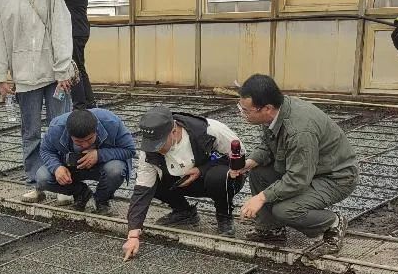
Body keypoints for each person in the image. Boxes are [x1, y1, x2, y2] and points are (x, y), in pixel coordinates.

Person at [236, 74, 357, 258]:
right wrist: (249, 163)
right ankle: (271, 230)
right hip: (309, 169)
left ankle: (333, 222)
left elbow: (298, 179)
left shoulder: (299, 131)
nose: (243, 114)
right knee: (258, 172)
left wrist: (261, 197)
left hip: (335, 177)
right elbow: (268, 145)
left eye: (246, 111)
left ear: (267, 108)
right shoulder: (275, 114)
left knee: (285, 210)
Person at [0, 0, 73, 201]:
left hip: (54, 73)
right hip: (24, 74)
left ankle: (64, 184)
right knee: (30, 132)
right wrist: (1, 75)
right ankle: (38, 183)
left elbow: (61, 26)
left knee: (61, 128)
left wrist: (63, 69)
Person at [121, 107, 246, 260]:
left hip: (214, 178)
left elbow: (240, 158)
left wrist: (201, 170)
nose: (156, 150)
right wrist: (133, 234)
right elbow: (142, 189)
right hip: (181, 181)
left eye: (160, 145)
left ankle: (224, 216)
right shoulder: (148, 152)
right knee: (152, 182)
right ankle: (184, 211)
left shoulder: (208, 130)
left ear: (174, 132)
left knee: (219, 177)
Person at [30, 108, 135, 215]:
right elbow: (46, 150)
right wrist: (56, 167)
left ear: (96, 130)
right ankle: (82, 193)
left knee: (116, 169)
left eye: (89, 139)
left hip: (102, 166)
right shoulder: (56, 128)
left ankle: (101, 200)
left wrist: (99, 155)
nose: (85, 145)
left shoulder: (111, 122)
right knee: (42, 177)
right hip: (71, 167)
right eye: (78, 142)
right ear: (69, 134)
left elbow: (130, 150)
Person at [59, 0, 95, 110]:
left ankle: (80, 104)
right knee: (79, 67)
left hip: (74, 30)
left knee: (74, 68)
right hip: (81, 28)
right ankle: (88, 102)